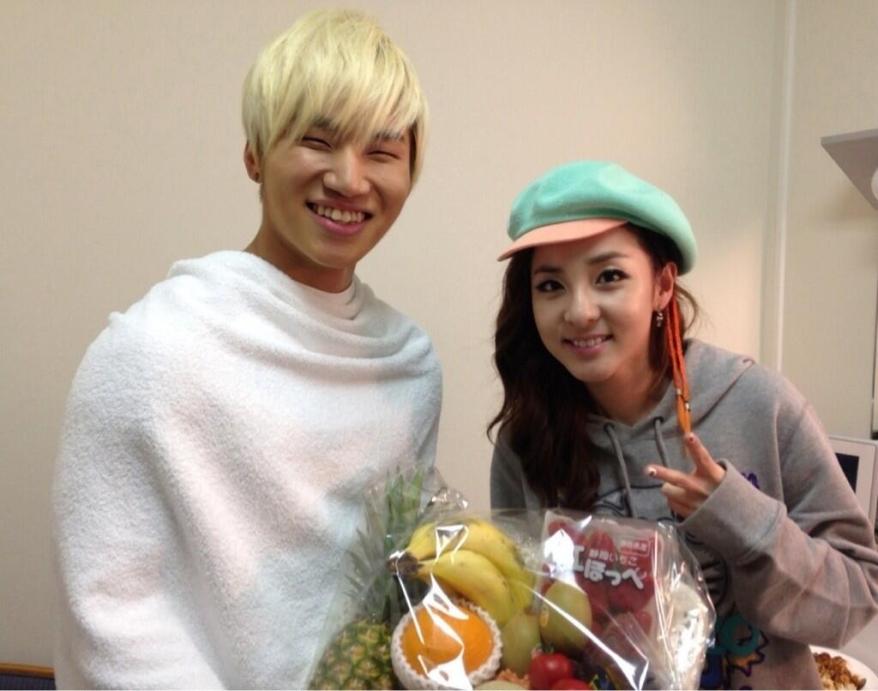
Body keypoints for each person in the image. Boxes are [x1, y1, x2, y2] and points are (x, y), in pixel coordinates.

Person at [52, 9, 441, 688]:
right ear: (255, 154)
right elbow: (112, 617)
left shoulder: (410, 367)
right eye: (317, 141)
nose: (350, 179)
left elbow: (393, 585)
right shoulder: (150, 353)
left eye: (381, 151)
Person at [488, 160, 878, 689]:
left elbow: (858, 598)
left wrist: (742, 518)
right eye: (551, 285)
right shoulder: (527, 442)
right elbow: (523, 619)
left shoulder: (760, 406)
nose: (578, 311)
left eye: (609, 276)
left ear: (663, 285)